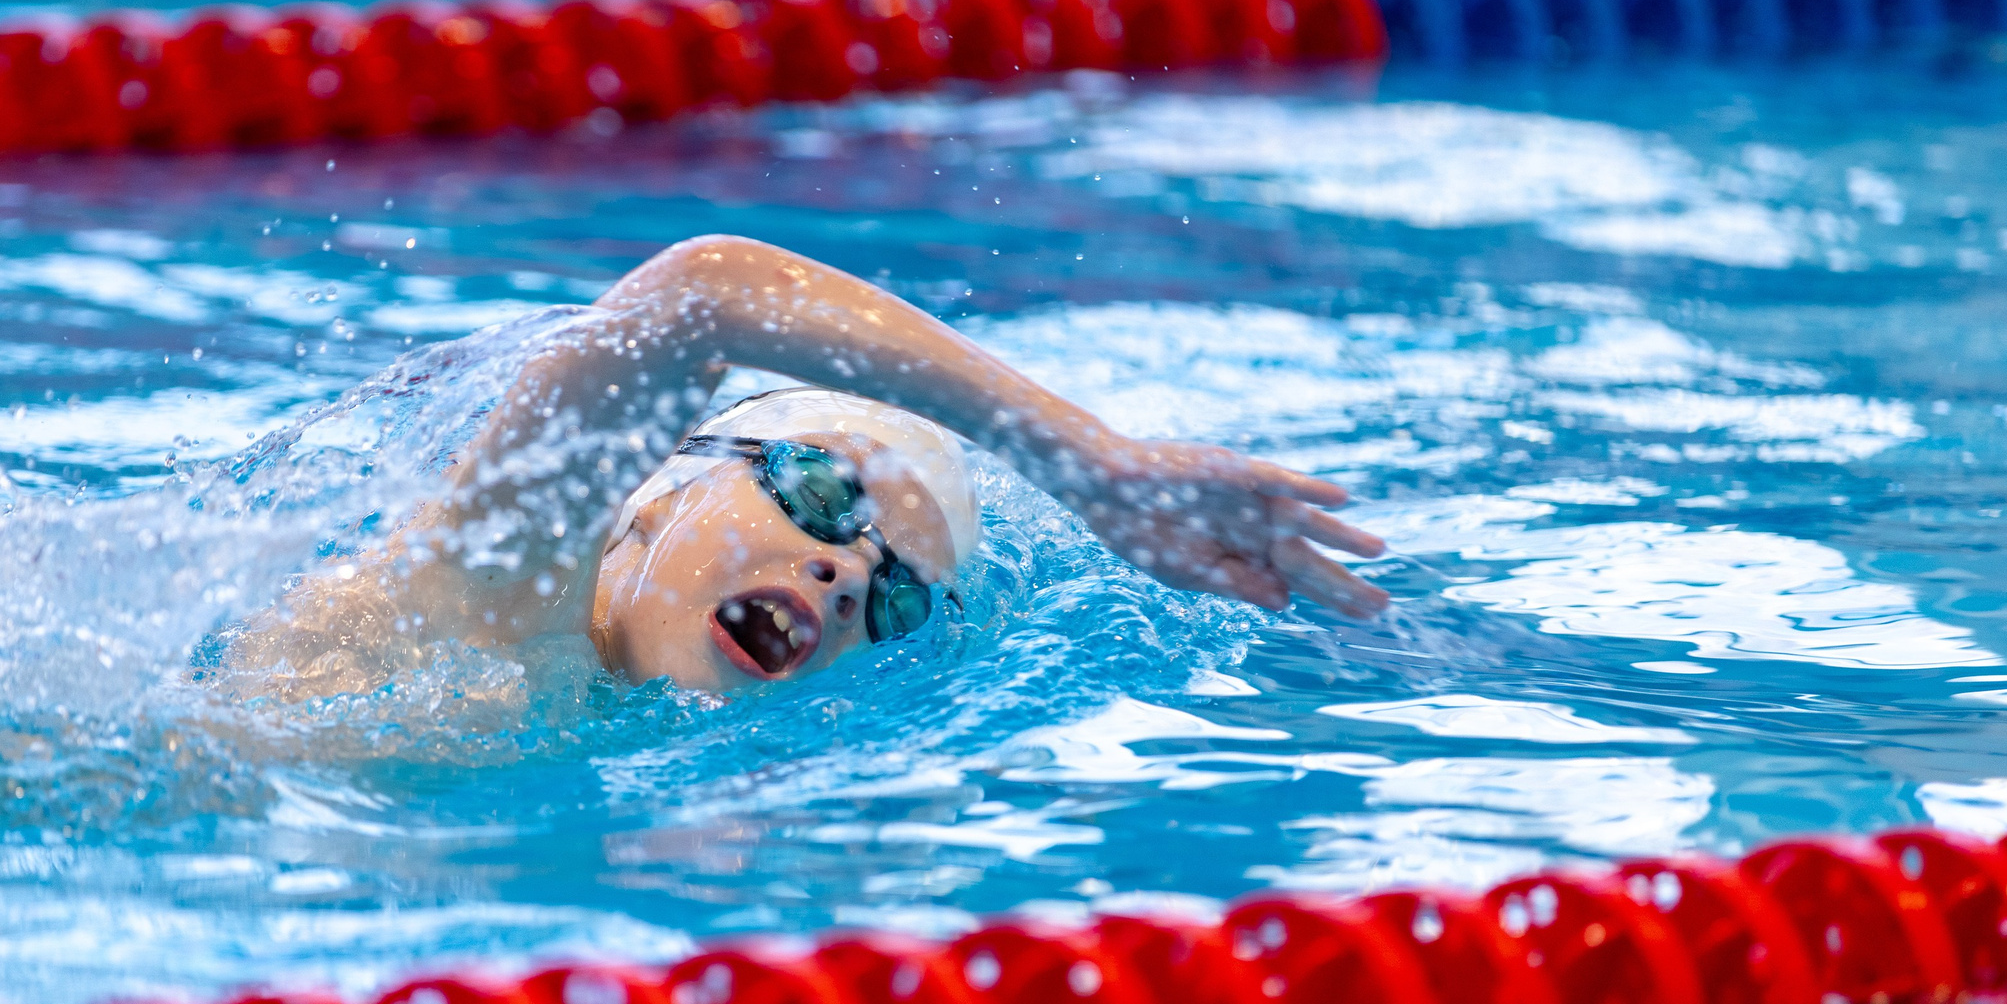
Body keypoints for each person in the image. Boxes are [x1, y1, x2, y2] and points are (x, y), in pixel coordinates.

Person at [221, 235, 1387, 698]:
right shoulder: (484, 585)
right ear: (661, 482)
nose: (842, 578)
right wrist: (1087, 460)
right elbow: (700, 294)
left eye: (893, 593)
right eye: (825, 497)